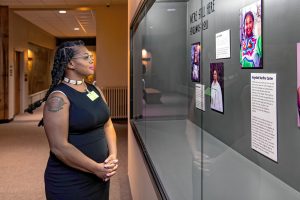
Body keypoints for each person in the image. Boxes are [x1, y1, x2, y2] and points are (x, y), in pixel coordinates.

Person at [25, 40, 118, 200]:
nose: (91, 60)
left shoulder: (95, 89)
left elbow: (107, 124)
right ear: (70, 64)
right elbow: (59, 147)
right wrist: (95, 168)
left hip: (100, 175)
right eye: (86, 57)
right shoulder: (58, 98)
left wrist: (113, 156)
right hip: (70, 181)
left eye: (91, 56)